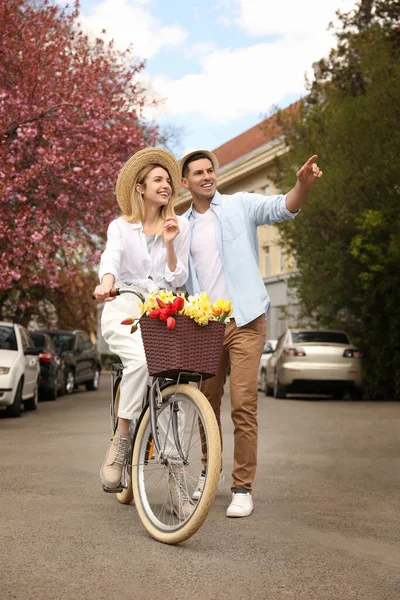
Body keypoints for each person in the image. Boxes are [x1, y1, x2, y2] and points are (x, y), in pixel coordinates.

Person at [180, 149, 322, 518]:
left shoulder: (239, 205)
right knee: (205, 406)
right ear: (186, 182)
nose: (207, 176)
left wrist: (301, 185)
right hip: (205, 325)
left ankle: (242, 487)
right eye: (198, 173)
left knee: (243, 403)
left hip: (245, 321)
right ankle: (207, 474)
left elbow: (283, 207)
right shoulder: (181, 226)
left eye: (210, 170)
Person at [93, 147, 192, 515]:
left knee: (175, 392)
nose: (166, 185)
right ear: (141, 188)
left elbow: (177, 277)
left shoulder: (175, 227)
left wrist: (169, 243)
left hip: (160, 311)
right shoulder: (121, 227)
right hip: (123, 304)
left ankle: (180, 483)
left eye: (168, 180)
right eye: (158, 180)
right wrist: (106, 284)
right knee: (139, 362)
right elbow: (111, 259)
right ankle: (121, 439)